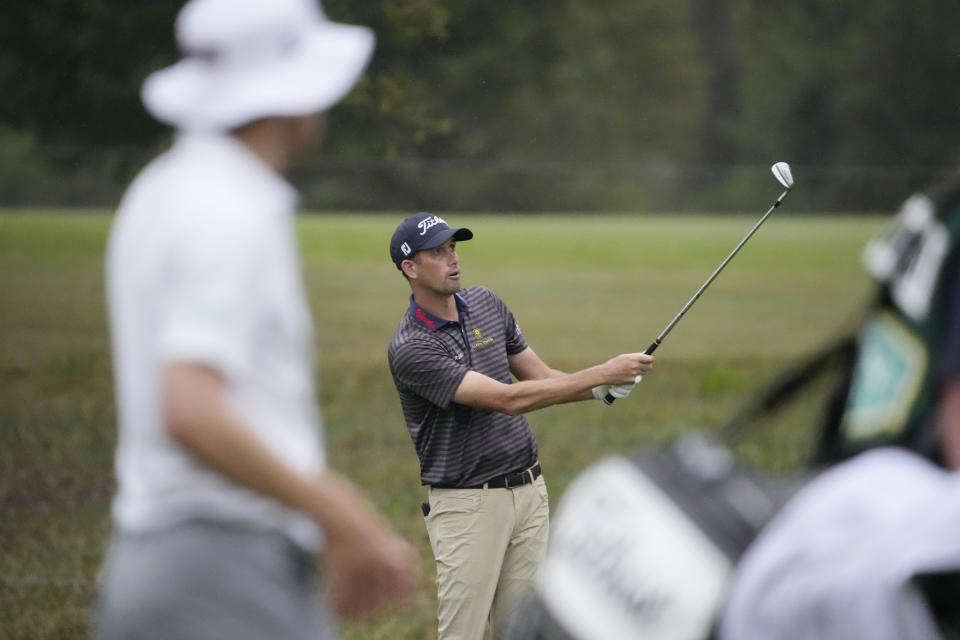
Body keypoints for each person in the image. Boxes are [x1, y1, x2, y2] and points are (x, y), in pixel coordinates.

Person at [94, 1, 415, 638]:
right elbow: (190, 408)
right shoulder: (227, 210)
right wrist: (341, 515)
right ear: (293, 95)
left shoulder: (164, 187)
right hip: (222, 571)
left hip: (157, 565)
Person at [386, 212, 655, 640]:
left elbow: (542, 379)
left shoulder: (488, 304)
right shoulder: (412, 347)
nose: (452, 258)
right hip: (468, 506)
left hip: (530, 493)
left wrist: (602, 388)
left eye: (453, 248)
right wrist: (603, 370)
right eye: (437, 252)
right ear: (410, 269)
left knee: (526, 632)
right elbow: (507, 400)